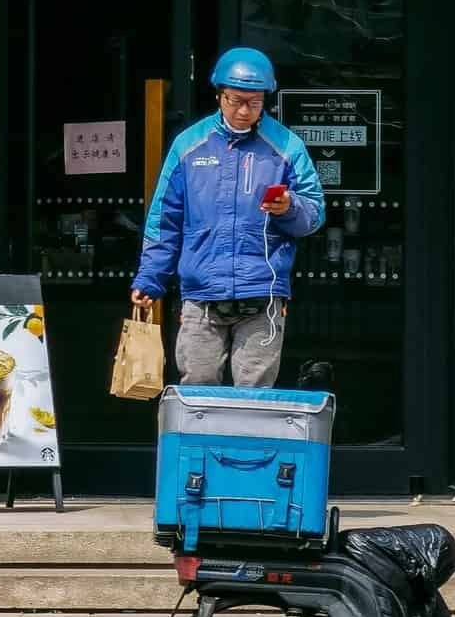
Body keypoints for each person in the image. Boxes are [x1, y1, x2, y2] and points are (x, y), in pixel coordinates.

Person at [130, 47, 325, 386]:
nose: (244, 110)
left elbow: (315, 213)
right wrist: (151, 278)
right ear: (219, 94)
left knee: (254, 397)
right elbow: (166, 219)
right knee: (198, 390)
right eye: (235, 100)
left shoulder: (287, 146)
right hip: (201, 294)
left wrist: (289, 207)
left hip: (262, 293)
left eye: (254, 102)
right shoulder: (189, 145)